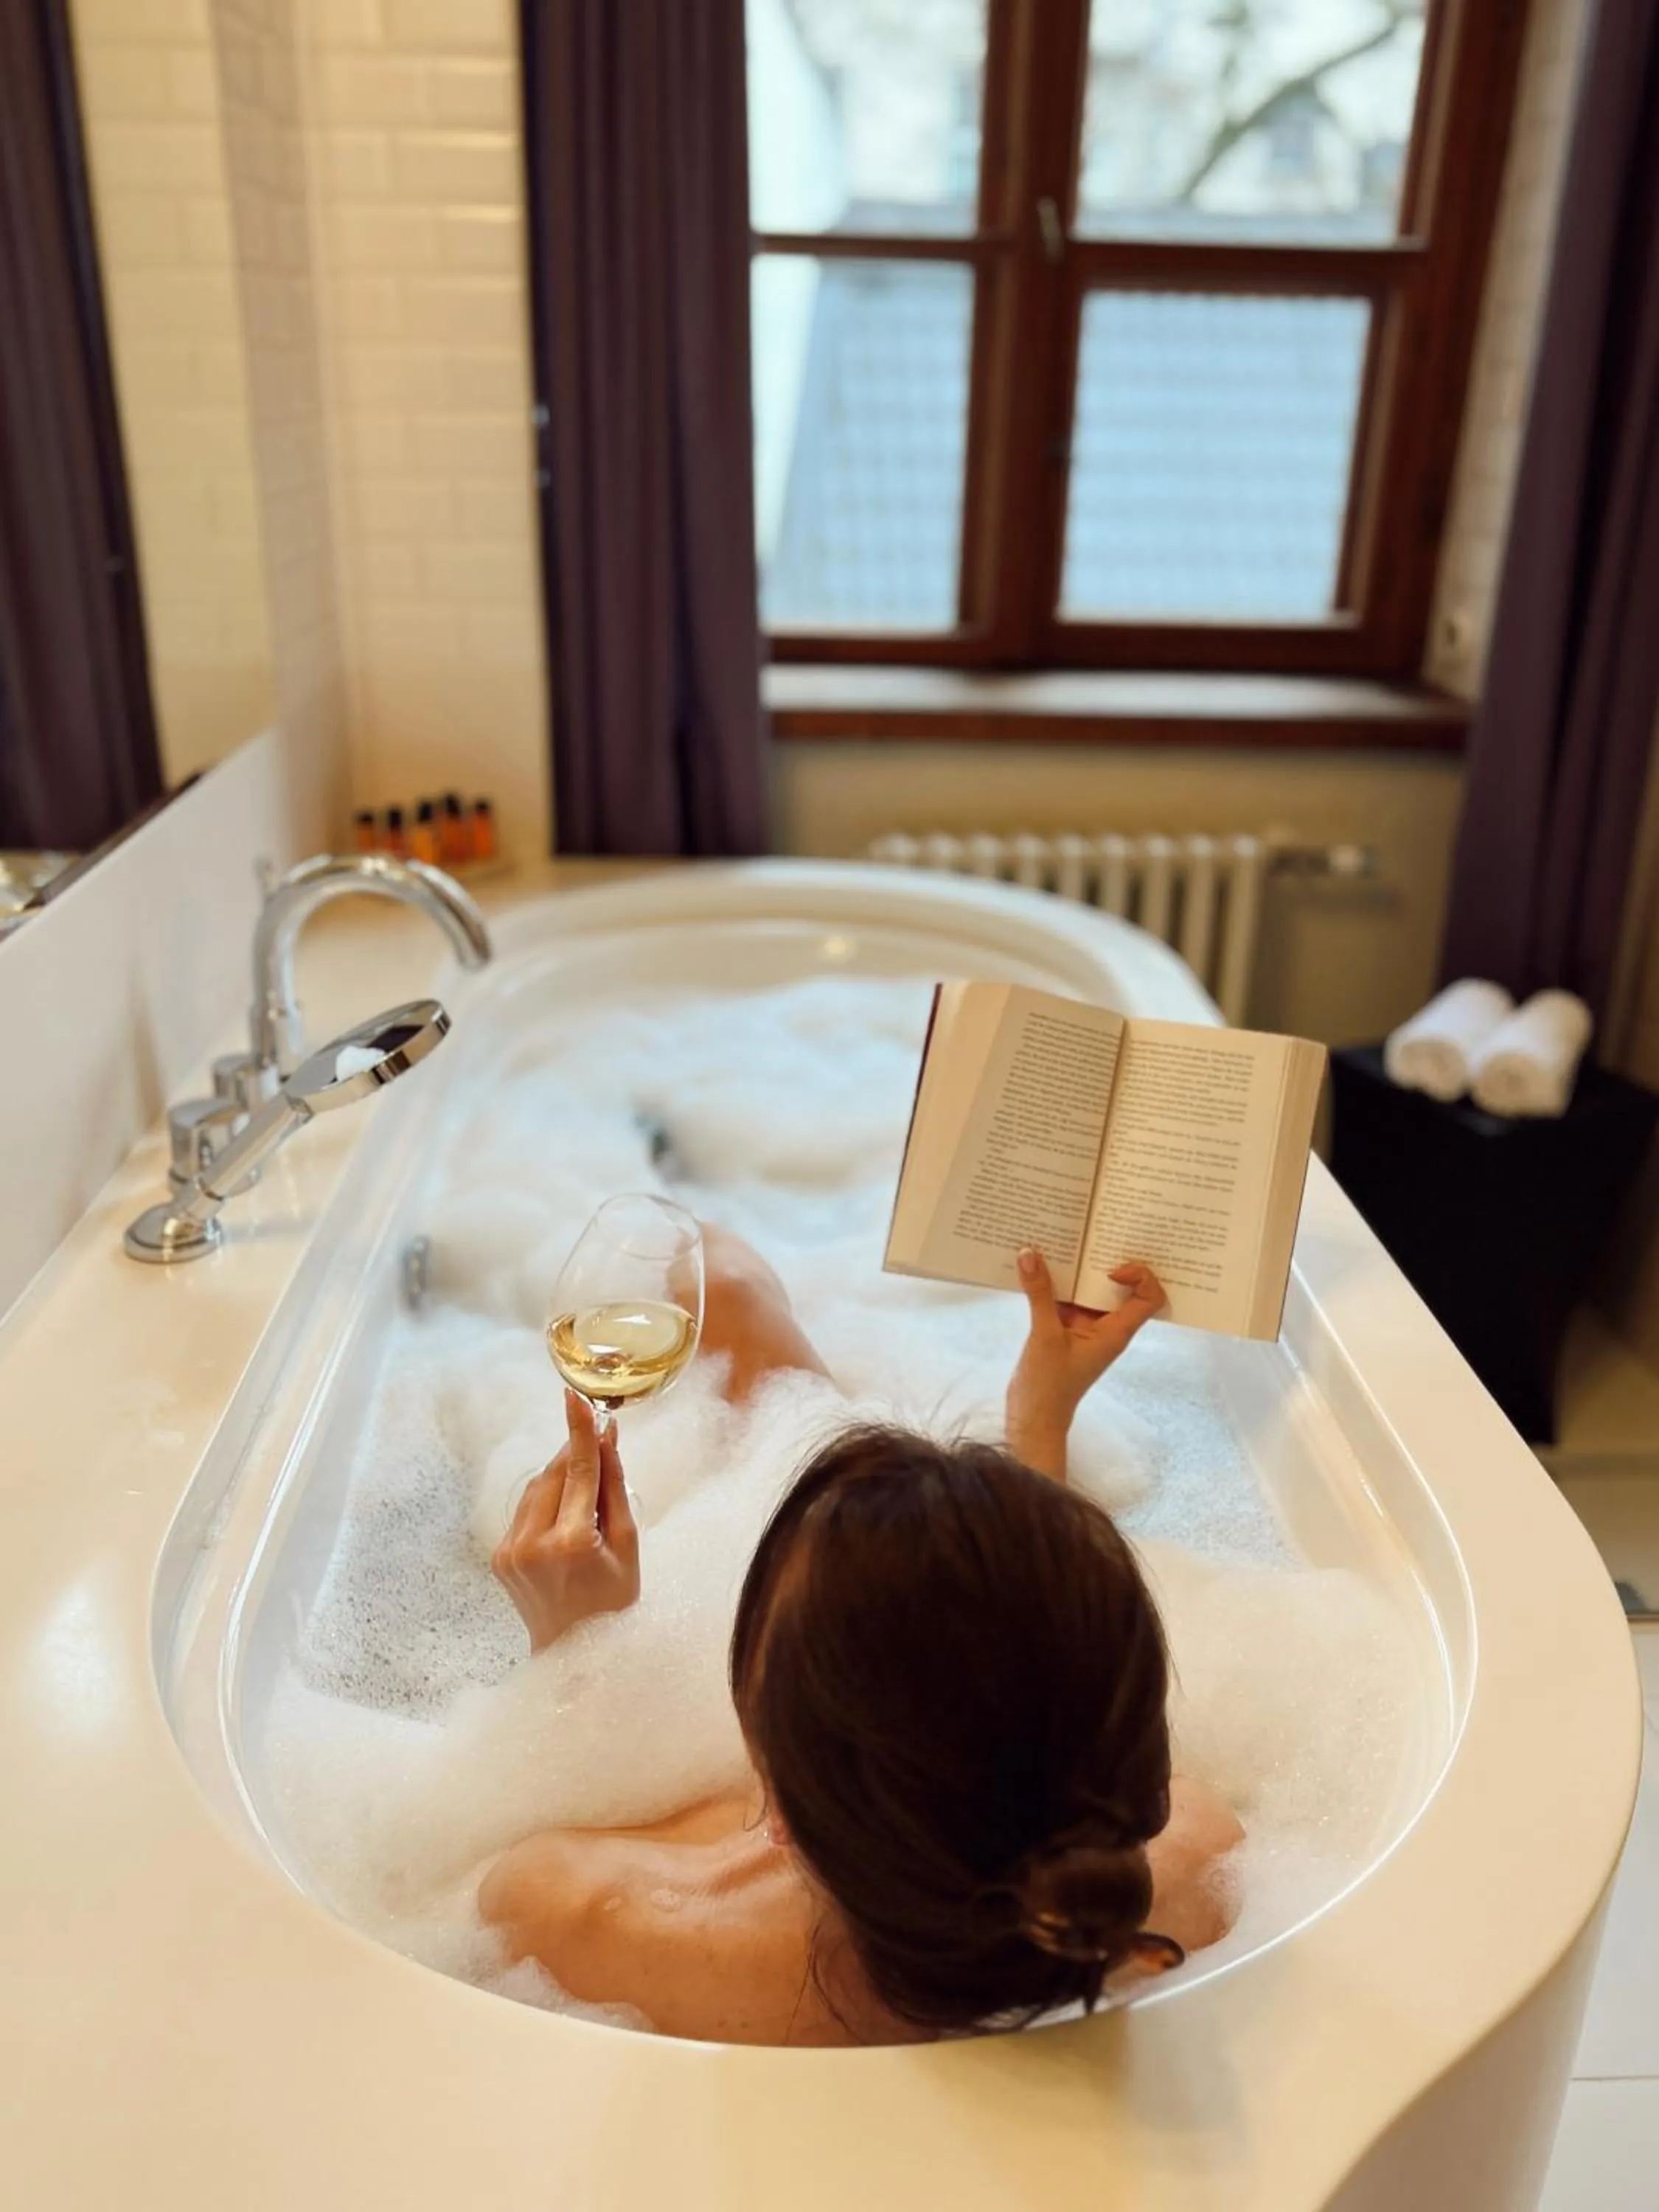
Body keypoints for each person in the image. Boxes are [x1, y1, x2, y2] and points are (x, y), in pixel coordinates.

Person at [481, 1228, 1242, 2045]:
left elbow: (536, 1842)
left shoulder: (578, 1919)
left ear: (771, 1802)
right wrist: (1037, 1436)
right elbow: (1014, 1723)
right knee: (728, 1286)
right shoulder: (1192, 1864)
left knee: (717, 1273)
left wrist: (575, 1650)